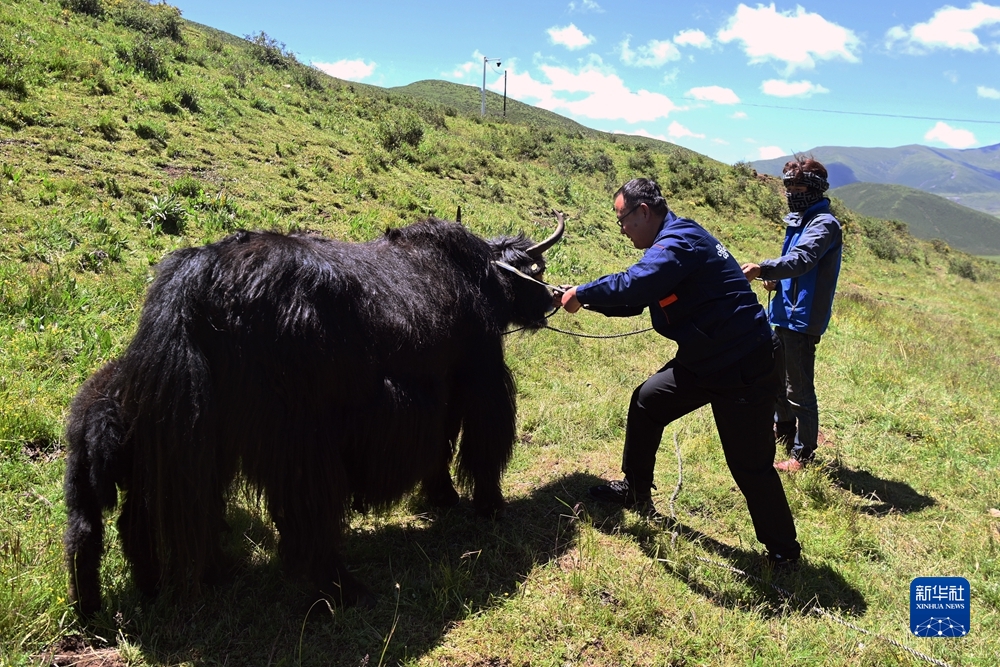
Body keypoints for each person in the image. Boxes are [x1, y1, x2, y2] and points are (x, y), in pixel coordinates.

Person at [558, 178, 801, 566]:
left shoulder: (678, 242)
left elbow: (637, 284)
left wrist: (585, 293)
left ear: (643, 212)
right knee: (647, 401)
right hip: (705, 359)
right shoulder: (669, 243)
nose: (622, 229)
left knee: (749, 463)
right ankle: (635, 490)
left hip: (744, 363)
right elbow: (637, 299)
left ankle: (784, 552)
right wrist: (580, 299)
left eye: (623, 220)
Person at [741, 158, 842, 472]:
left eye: (799, 186)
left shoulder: (824, 224)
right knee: (776, 379)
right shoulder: (799, 220)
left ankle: (804, 455)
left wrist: (763, 267)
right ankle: (783, 430)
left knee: (799, 388)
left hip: (802, 318)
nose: (792, 192)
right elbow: (793, 267)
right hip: (784, 313)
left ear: (815, 189)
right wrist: (774, 279)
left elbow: (803, 259)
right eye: (788, 186)